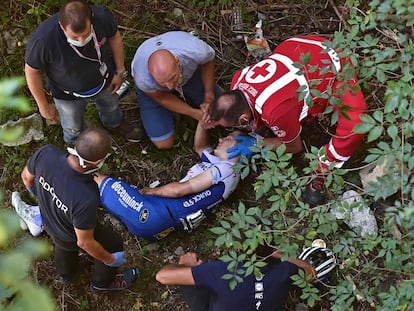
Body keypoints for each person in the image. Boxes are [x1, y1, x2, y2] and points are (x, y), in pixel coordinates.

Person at [205, 35, 368, 206]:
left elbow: (294, 147)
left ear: (243, 118)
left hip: (335, 64)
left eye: (234, 126)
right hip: (299, 47)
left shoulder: (274, 111)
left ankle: (321, 171)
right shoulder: (237, 80)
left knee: (355, 124)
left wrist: (255, 143)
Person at [17, 127, 139, 292]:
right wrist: (109, 259)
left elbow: (26, 177)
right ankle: (102, 284)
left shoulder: (47, 154)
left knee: (63, 246)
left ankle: (67, 274)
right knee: (112, 242)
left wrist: (46, 197)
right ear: (98, 161)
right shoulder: (86, 196)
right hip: (70, 235)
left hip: (48, 219)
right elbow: (84, 241)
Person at [93, 122, 241, 240]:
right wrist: (203, 122)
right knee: (106, 192)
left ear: (241, 149)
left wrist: (152, 191)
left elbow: (180, 190)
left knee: (106, 183)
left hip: (156, 213)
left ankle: (74, 164)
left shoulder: (227, 169)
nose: (221, 139)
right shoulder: (221, 166)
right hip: (159, 223)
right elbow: (201, 147)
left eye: (228, 138)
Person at [24, 0, 143, 145]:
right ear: (62, 26)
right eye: (75, 37)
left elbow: (114, 37)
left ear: (91, 19)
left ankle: (114, 124)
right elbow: (32, 72)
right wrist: (43, 105)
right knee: (73, 127)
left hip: (105, 81)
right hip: (68, 95)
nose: (81, 40)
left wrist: (120, 71)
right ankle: (77, 146)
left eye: (85, 34)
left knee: (111, 107)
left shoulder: (102, 17)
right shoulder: (43, 41)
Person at [156, 245, 336, 311]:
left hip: (212, 305)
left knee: (187, 269)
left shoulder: (222, 272)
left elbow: (162, 276)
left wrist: (185, 265)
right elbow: (310, 272)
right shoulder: (284, 276)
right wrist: (280, 254)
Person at [131, 31, 221, 150]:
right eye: (163, 82)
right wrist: (194, 113)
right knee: (163, 143)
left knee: (221, 111)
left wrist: (209, 96)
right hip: (156, 92)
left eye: (171, 78)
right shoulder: (143, 78)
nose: (169, 86)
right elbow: (161, 97)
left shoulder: (196, 51)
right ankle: (172, 109)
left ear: (177, 61)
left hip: (188, 76)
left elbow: (208, 61)